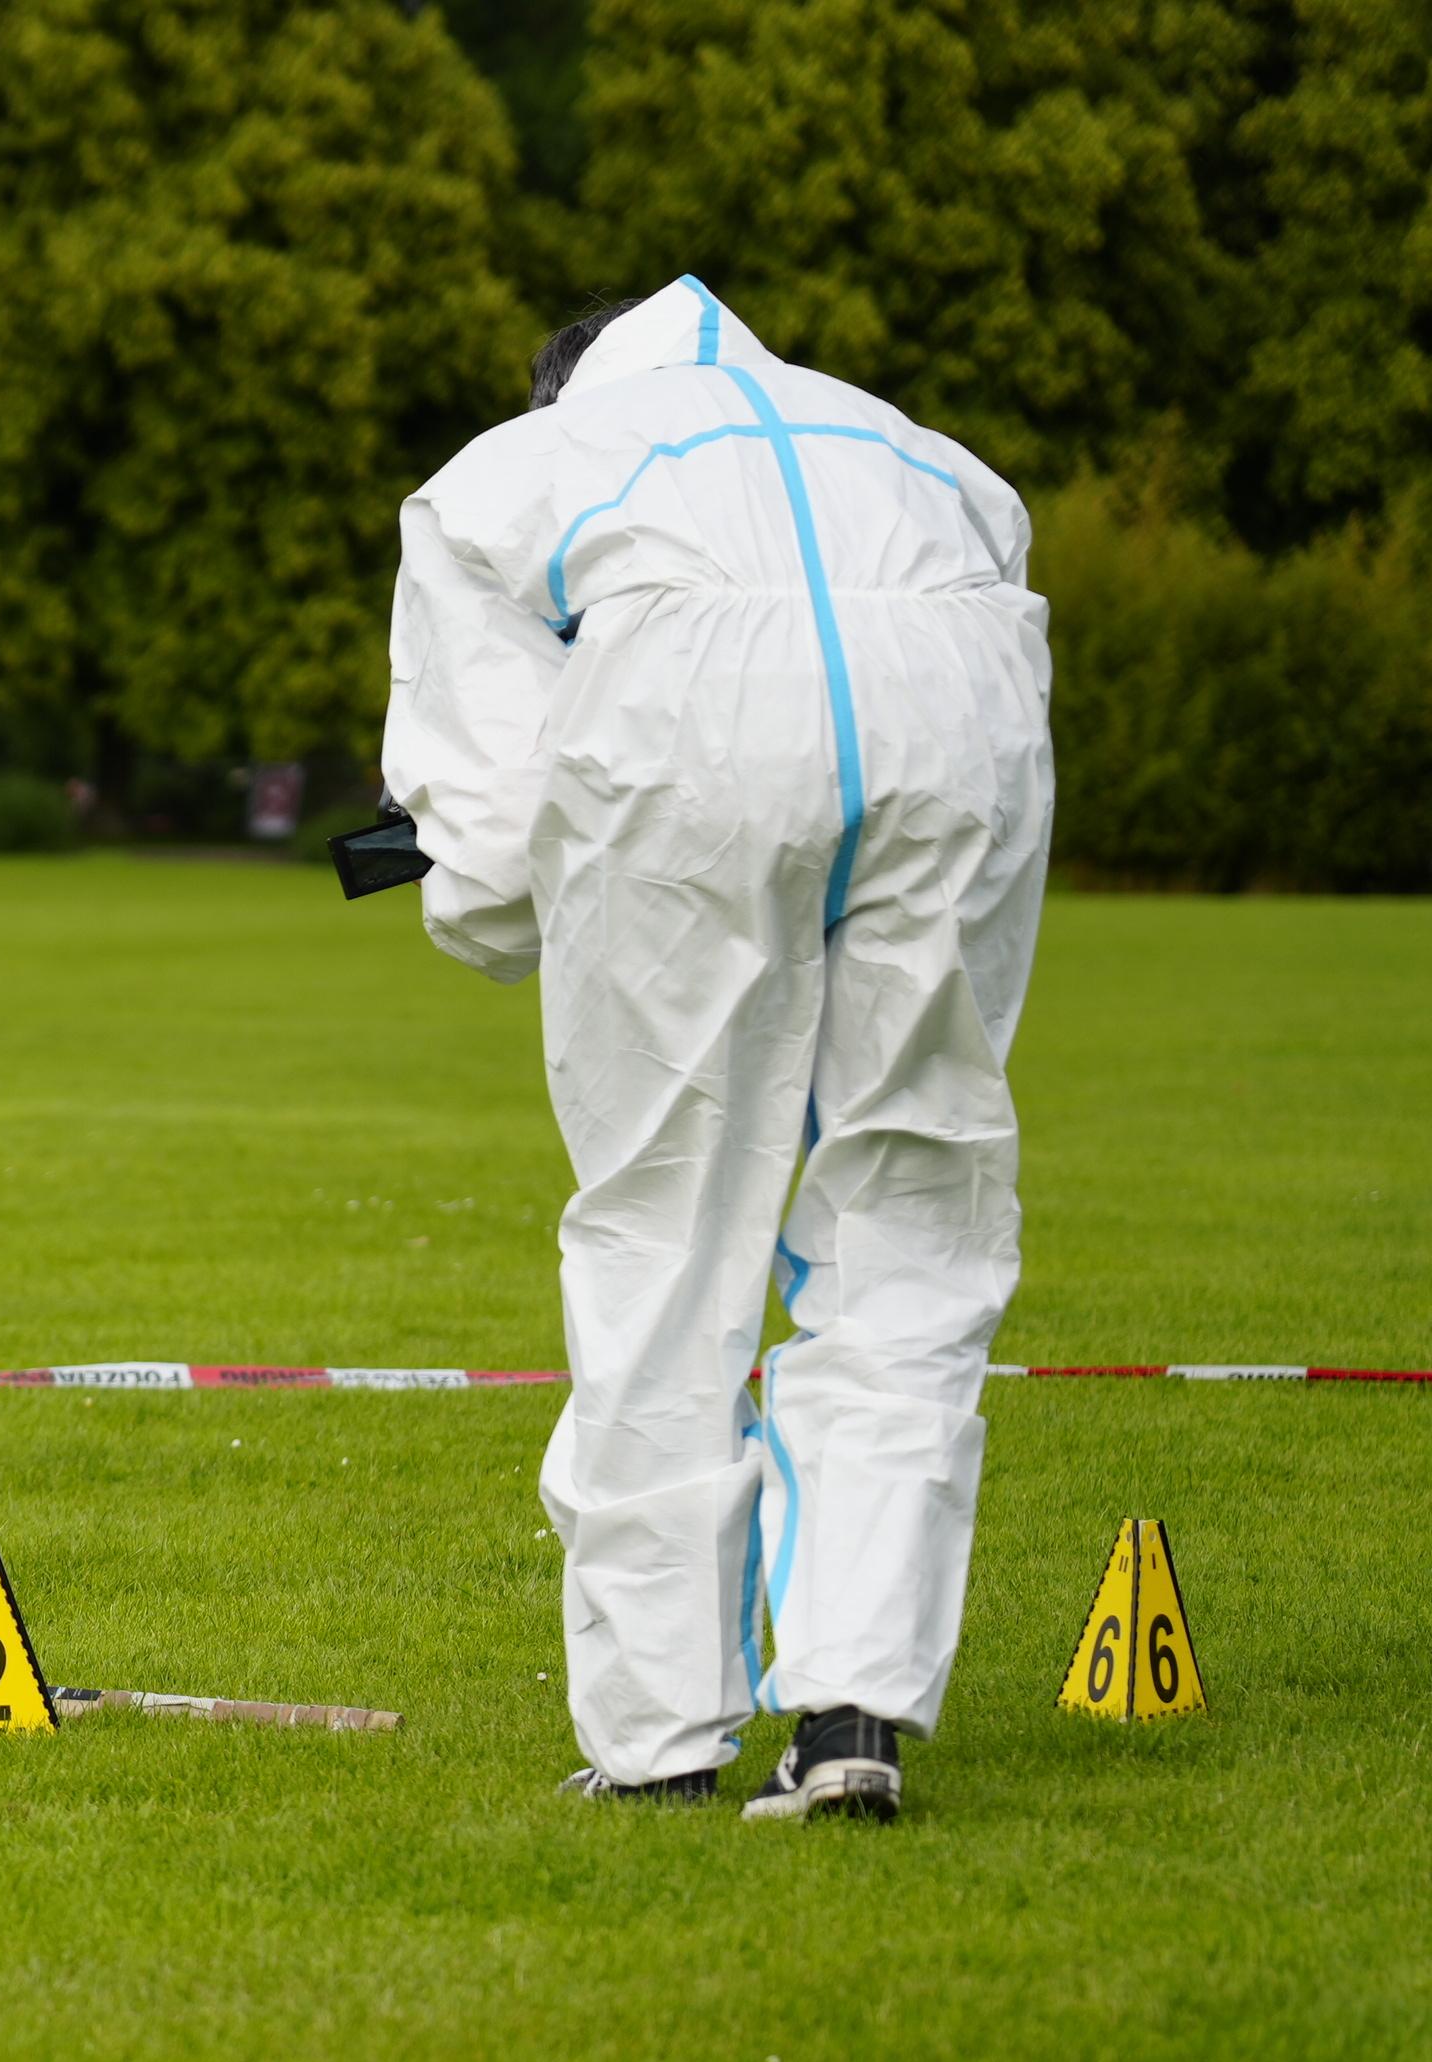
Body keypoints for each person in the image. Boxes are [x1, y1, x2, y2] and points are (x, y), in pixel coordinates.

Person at [380, 275, 1051, 1822]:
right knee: (912, 1207)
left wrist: (494, 900)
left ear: (568, 383)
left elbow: (478, 827)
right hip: (964, 714)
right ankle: (855, 1717)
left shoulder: (515, 468)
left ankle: (659, 1741)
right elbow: (1002, 593)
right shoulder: (924, 451)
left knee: (668, 1230)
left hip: (689, 733)